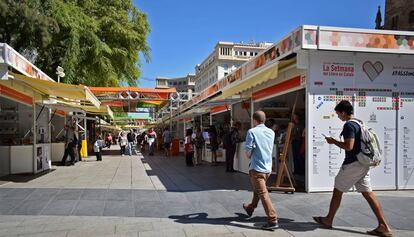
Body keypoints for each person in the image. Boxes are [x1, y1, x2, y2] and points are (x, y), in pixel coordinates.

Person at [313, 100, 392, 237]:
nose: (338, 117)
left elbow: (349, 146)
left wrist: (333, 142)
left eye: (338, 114)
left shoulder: (349, 125)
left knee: (338, 190)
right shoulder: (359, 123)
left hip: (353, 164)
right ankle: (383, 225)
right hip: (363, 164)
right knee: (368, 193)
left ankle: (328, 219)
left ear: (343, 112)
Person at [243, 111, 279, 230]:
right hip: (267, 168)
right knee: (258, 190)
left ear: (254, 120)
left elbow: (248, 154)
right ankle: (250, 207)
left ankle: (272, 219)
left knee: (263, 193)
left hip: (257, 168)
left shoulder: (252, 131)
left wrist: (252, 149)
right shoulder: (271, 132)